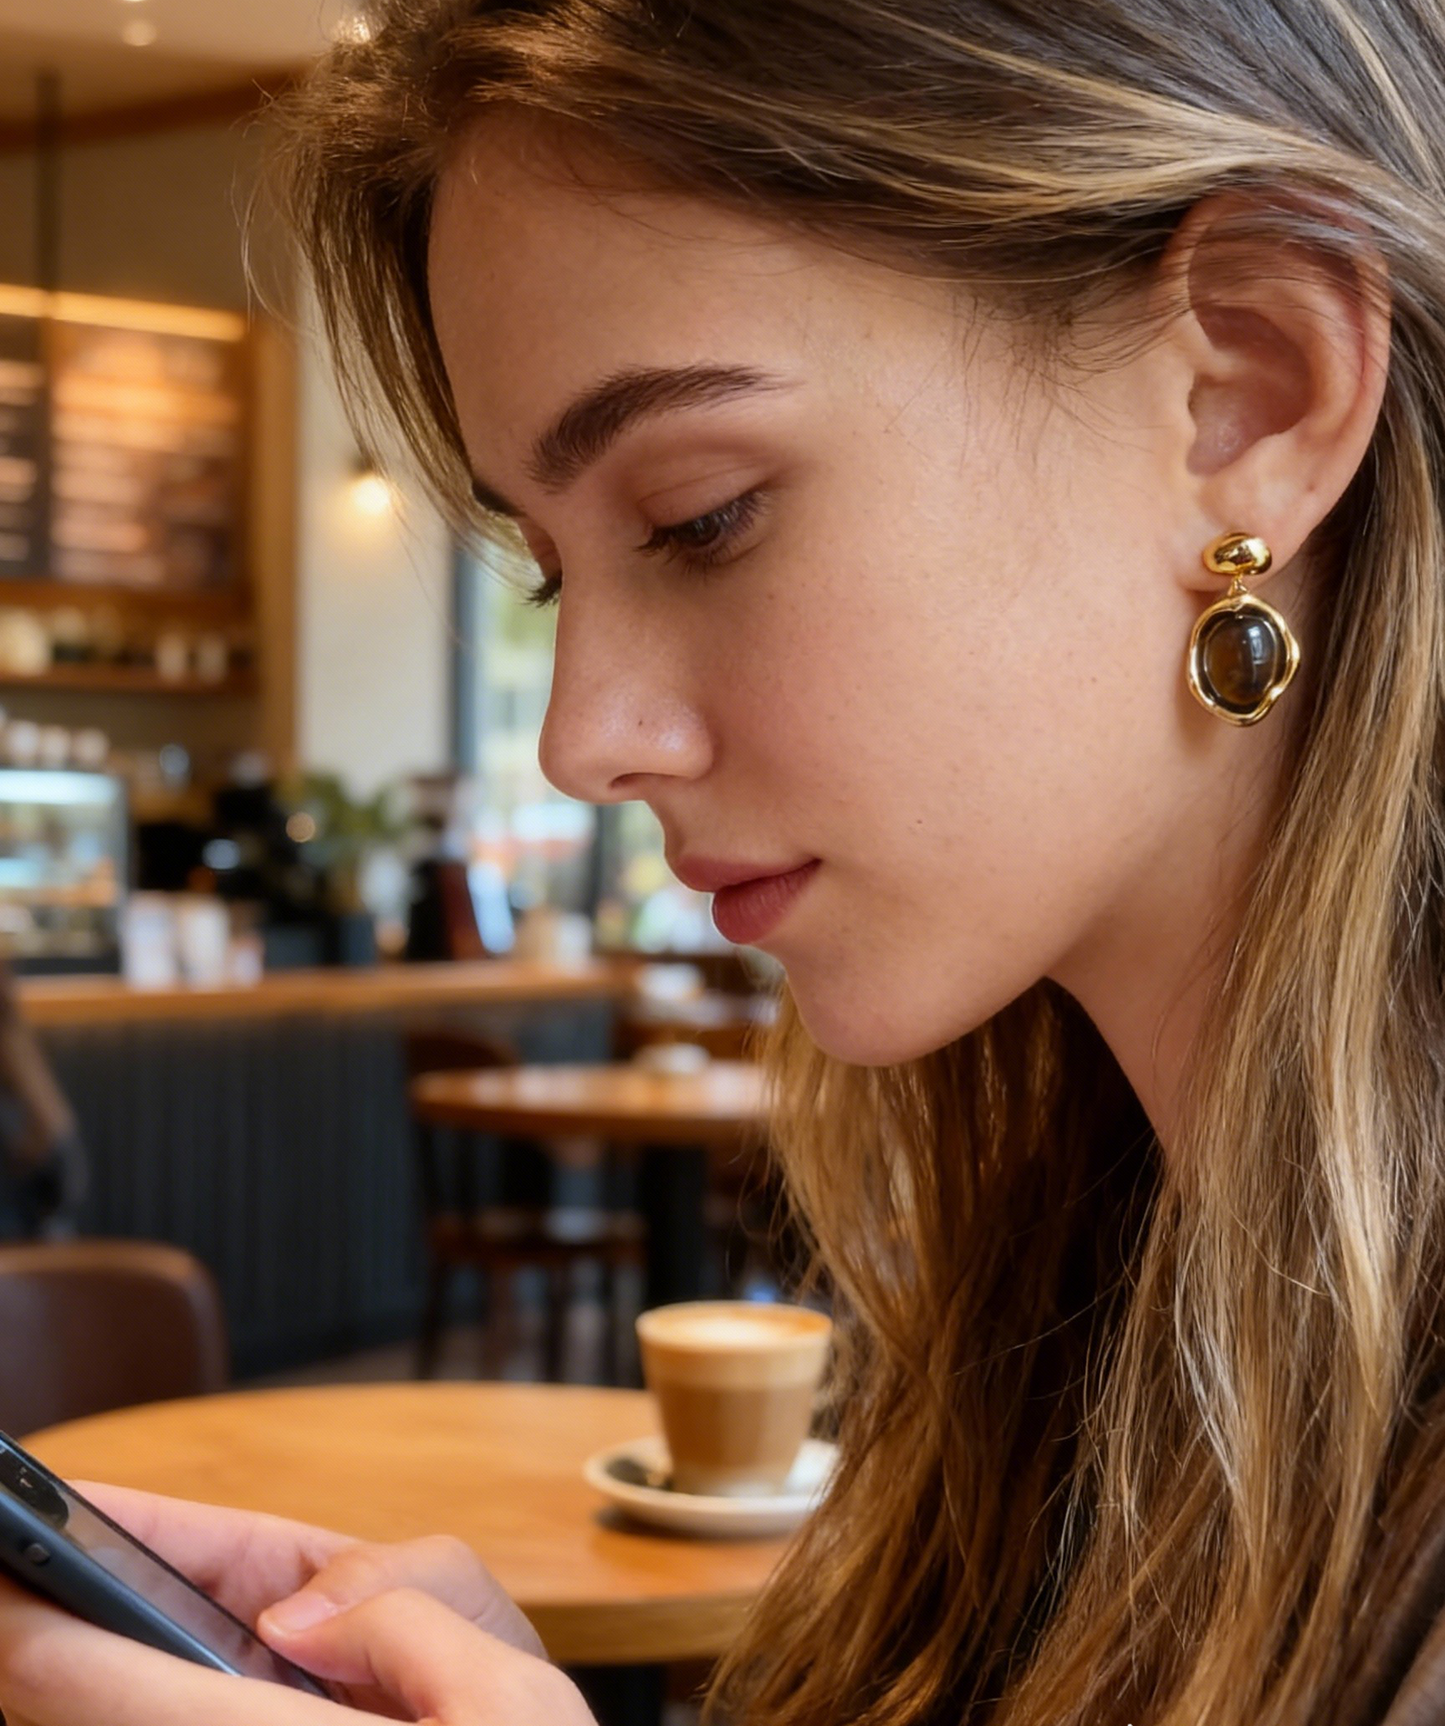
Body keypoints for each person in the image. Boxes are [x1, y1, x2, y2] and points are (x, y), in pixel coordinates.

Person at [1, 0, 1443, 1720]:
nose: (580, 737)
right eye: (552, 571)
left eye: (700, 516)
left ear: (1249, 386)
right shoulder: (1082, 1296)